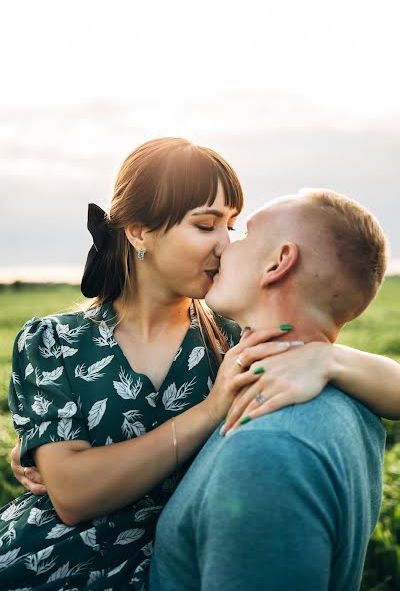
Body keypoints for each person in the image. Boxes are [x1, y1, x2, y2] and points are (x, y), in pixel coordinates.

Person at [1, 139, 400, 591]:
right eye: (206, 225)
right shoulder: (53, 340)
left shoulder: (231, 337)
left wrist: (328, 357)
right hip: (47, 565)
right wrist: (209, 411)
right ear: (137, 232)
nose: (225, 246)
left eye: (231, 227)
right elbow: (73, 496)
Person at [149, 189, 390, 591]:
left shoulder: (268, 450)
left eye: (242, 233)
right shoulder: (351, 398)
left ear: (278, 263)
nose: (224, 247)